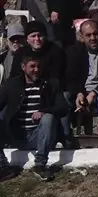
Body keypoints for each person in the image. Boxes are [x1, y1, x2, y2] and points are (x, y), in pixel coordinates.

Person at [0, 53, 69, 181]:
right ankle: (3, 167)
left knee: (48, 118)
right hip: (16, 135)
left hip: (39, 136)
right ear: (23, 67)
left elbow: (63, 107)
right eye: (32, 66)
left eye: (38, 66)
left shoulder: (50, 84)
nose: (36, 70)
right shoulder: (12, 85)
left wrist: (44, 111)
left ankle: (40, 165)